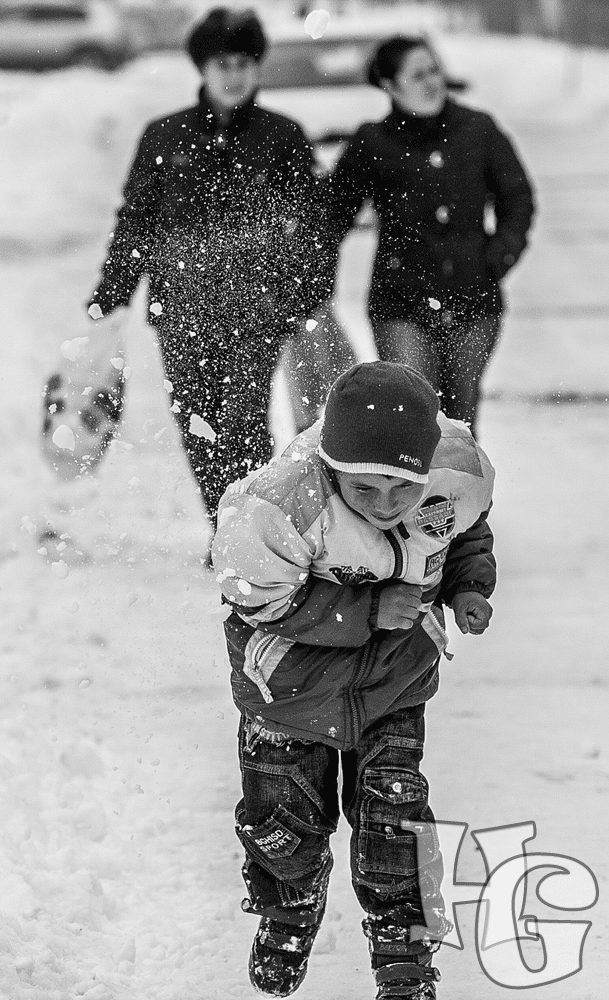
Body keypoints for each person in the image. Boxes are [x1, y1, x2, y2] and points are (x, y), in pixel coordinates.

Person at [211, 361, 497, 998]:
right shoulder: (282, 506)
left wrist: (468, 586)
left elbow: (466, 535)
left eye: (404, 490)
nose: (386, 506)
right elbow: (256, 601)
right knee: (283, 822)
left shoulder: (450, 482)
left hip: (394, 684)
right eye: (365, 490)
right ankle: (287, 912)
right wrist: (364, 610)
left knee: (395, 821)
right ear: (332, 466)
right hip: (289, 690)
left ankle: (406, 952)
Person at [86, 7, 336, 530]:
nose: (234, 74)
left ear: (258, 67)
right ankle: (225, 526)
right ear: (201, 66)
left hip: (257, 310)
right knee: (196, 423)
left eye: (245, 62)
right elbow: (137, 220)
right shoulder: (163, 137)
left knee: (245, 419)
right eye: (223, 62)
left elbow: (315, 226)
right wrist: (111, 294)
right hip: (181, 309)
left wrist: (301, 294)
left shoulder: (283, 137)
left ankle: (256, 529)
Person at [324, 35, 534, 437]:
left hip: (474, 302)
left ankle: (464, 499)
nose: (432, 81)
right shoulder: (372, 142)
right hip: (400, 306)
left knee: (460, 420)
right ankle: (414, 500)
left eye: (434, 69)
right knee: (416, 415)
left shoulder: (478, 129)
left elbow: (517, 198)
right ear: (390, 84)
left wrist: (498, 257)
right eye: (418, 74)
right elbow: (334, 215)